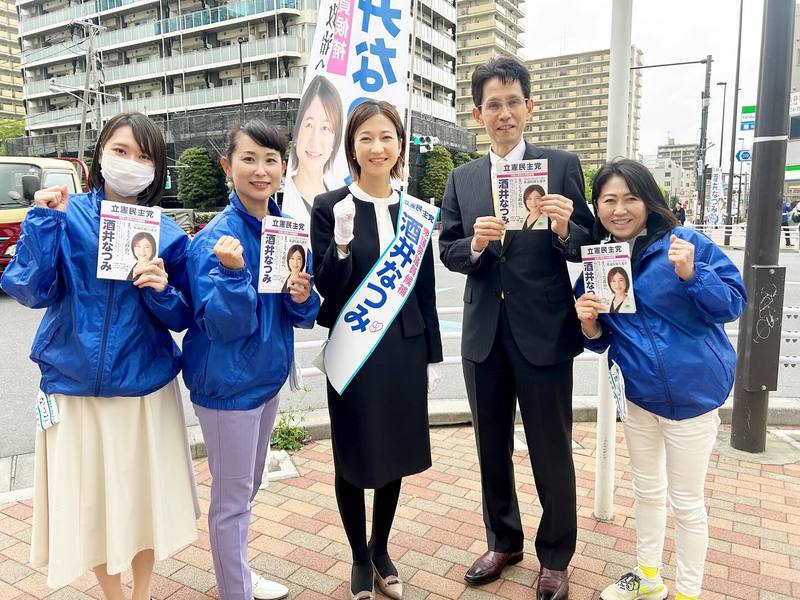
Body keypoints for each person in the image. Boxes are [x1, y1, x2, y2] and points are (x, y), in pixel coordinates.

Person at [0, 112, 199, 600]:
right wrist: (43, 222)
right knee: (88, 503)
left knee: (143, 502)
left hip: (143, 387)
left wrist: (160, 290)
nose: (131, 164)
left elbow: (184, 315)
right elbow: (29, 289)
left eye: (145, 156)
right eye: (121, 151)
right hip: (72, 383)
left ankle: (142, 593)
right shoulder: (67, 213)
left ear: (158, 169)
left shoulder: (168, 232)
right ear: (100, 154)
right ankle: (115, 595)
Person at [438, 57, 594, 600]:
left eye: (512, 102)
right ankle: (503, 540)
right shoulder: (463, 178)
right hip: (484, 333)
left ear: (529, 106)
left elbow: (586, 242)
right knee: (490, 447)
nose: (503, 114)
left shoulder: (561, 164)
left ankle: (556, 556)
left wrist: (562, 224)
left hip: (544, 330)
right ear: (477, 113)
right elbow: (448, 248)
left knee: (552, 447)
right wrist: (476, 244)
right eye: (492, 105)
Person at [574, 159, 746, 600]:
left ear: (650, 201)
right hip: (639, 398)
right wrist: (589, 324)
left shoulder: (684, 243)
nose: (620, 209)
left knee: (687, 504)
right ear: (597, 207)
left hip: (693, 396)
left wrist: (693, 274)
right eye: (608, 200)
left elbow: (733, 303)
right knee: (646, 491)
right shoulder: (599, 261)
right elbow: (597, 341)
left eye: (630, 198)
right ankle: (648, 578)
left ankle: (689, 591)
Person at [182, 119, 320, 600]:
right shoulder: (213, 241)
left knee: (246, 489)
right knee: (232, 500)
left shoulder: (284, 231)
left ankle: (237, 573)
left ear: (284, 167)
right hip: (227, 388)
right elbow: (224, 325)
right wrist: (235, 271)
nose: (260, 170)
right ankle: (234, 590)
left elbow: (301, 314)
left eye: (271, 160)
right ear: (228, 166)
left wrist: (303, 294)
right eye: (249, 159)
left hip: (265, 381)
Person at [311, 100, 443, 600]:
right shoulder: (330, 207)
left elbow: (424, 288)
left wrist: (433, 353)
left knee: (394, 453)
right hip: (353, 349)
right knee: (353, 455)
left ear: (400, 145)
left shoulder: (415, 212)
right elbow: (329, 289)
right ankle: (359, 558)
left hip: (404, 351)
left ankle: (381, 545)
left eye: (387, 137)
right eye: (365, 137)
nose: (377, 147)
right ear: (352, 147)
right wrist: (341, 245)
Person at [284, 75, 344, 219]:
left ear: (335, 141)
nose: (315, 140)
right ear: (297, 133)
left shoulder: (343, 202)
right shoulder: (277, 198)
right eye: (309, 124)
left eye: (325, 127)